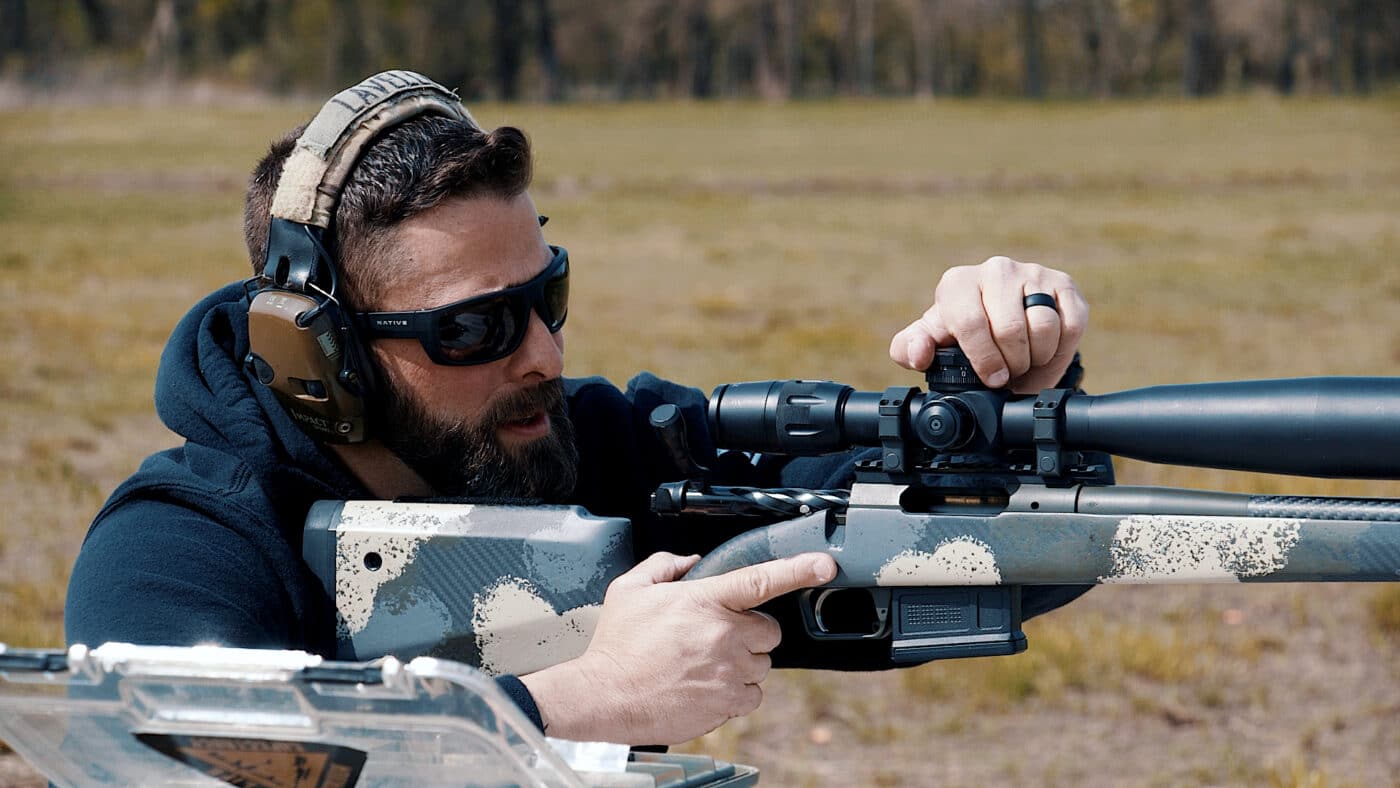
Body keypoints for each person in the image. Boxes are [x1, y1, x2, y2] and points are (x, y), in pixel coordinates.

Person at [64, 72, 1091, 747]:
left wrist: (1016, 394)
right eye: (472, 329)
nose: (544, 355)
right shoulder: (182, 539)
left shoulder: (593, 449)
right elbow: (191, 763)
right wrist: (579, 699)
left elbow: (971, 558)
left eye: (542, 298)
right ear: (312, 356)